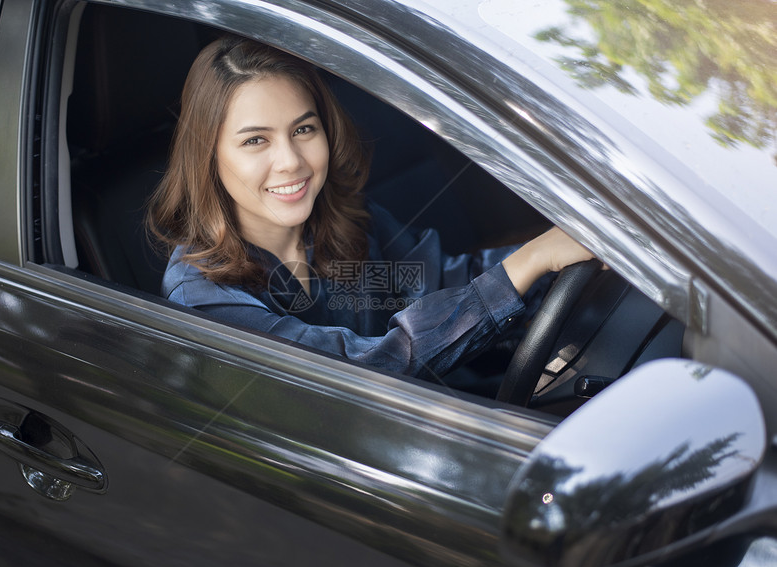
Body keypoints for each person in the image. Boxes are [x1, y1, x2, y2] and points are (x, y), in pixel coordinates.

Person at [148, 35, 596, 382]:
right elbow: (367, 369)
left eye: (303, 129)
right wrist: (533, 260)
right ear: (208, 155)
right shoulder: (202, 297)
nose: (291, 161)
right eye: (255, 140)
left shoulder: (343, 218)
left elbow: (446, 280)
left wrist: (562, 256)